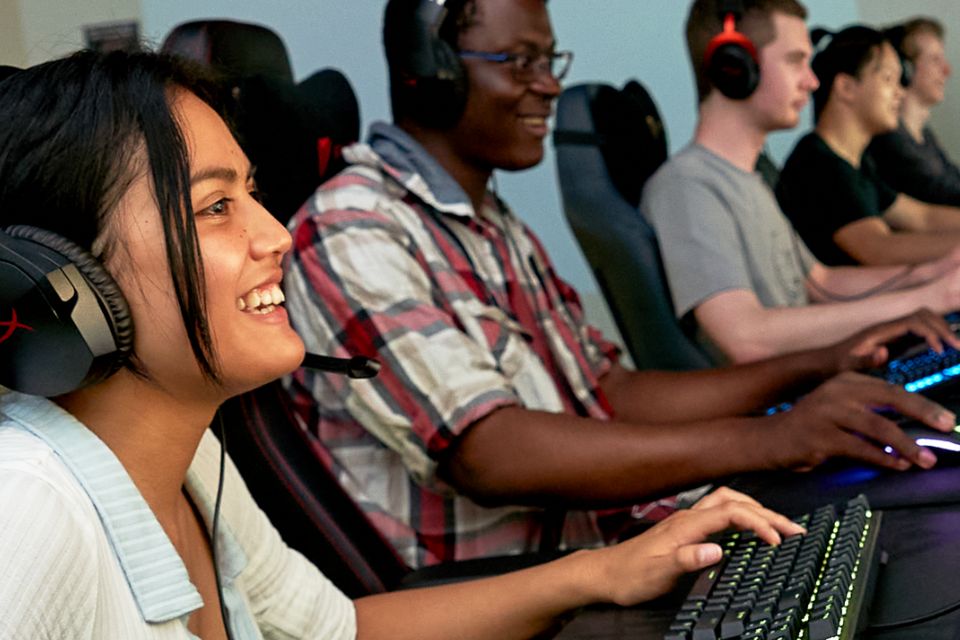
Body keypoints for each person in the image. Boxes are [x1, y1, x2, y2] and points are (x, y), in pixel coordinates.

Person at [0, 49, 813, 640]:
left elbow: (340, 632)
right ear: (55, 280)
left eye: (254, 195)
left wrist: (604, 571)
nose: (278, 236)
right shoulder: (30, 510)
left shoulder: (196, 471)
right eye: (216, 208)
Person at [283, 0, 957, 570]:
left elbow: (610, 389)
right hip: (524, 589)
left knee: (897, 540)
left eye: (550, 62)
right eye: (520, 61)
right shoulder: (357, 225)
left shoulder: (493, 225)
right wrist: (775, 438)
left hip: (616, 542)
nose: (547, 86)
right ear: (428, 70)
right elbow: (489, 452)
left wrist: (821, 364)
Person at [641, 0, 960, 363]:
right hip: (785, 407)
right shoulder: (688, 188)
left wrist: (935, 273)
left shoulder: (751, 181)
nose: (811, 81)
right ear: (733, 66)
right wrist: (928, 299)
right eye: (795, 61)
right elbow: (746, 337)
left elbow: (822, 284)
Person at [776, 25, 960, 267]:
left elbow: (923, 218)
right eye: (888, 79)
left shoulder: (858, 164)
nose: (900, 93)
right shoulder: (817, 164)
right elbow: (879, 249)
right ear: (846, 88)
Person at [867, 17, 960, 207]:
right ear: (905, 70)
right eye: (935, 59)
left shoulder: (924, 136)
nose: (946, 71)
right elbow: (941, 194)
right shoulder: (889, 140)